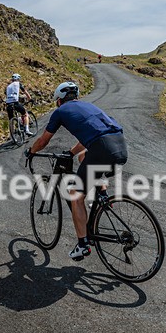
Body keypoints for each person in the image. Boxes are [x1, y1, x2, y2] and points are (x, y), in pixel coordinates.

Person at [27, 82, 128, 261]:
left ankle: (83, 245)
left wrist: (32, 151)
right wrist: (71, 153)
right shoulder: (89, 106)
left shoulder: (60, 112)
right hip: (119, 144)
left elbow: (43, 141)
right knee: (83, 157)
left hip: (101, 148)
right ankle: (102, 195)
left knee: (75, 194)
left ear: (59, 101)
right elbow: (94, 135)